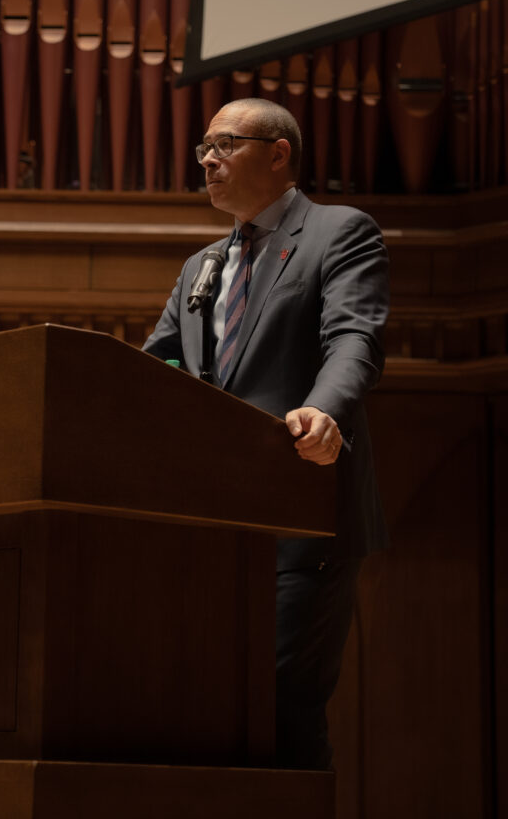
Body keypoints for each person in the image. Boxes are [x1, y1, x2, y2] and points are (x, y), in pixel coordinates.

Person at [142, 98, 389, 770]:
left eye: (225, 143)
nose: (208, 160)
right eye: (203, 148)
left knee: (279, 712)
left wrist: (323, 410)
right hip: (211, 530)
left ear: (278, 152)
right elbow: (152, 368)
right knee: (211, 714)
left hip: (301, 515)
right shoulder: (200, 268)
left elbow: (354, 339)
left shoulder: (338, 233)